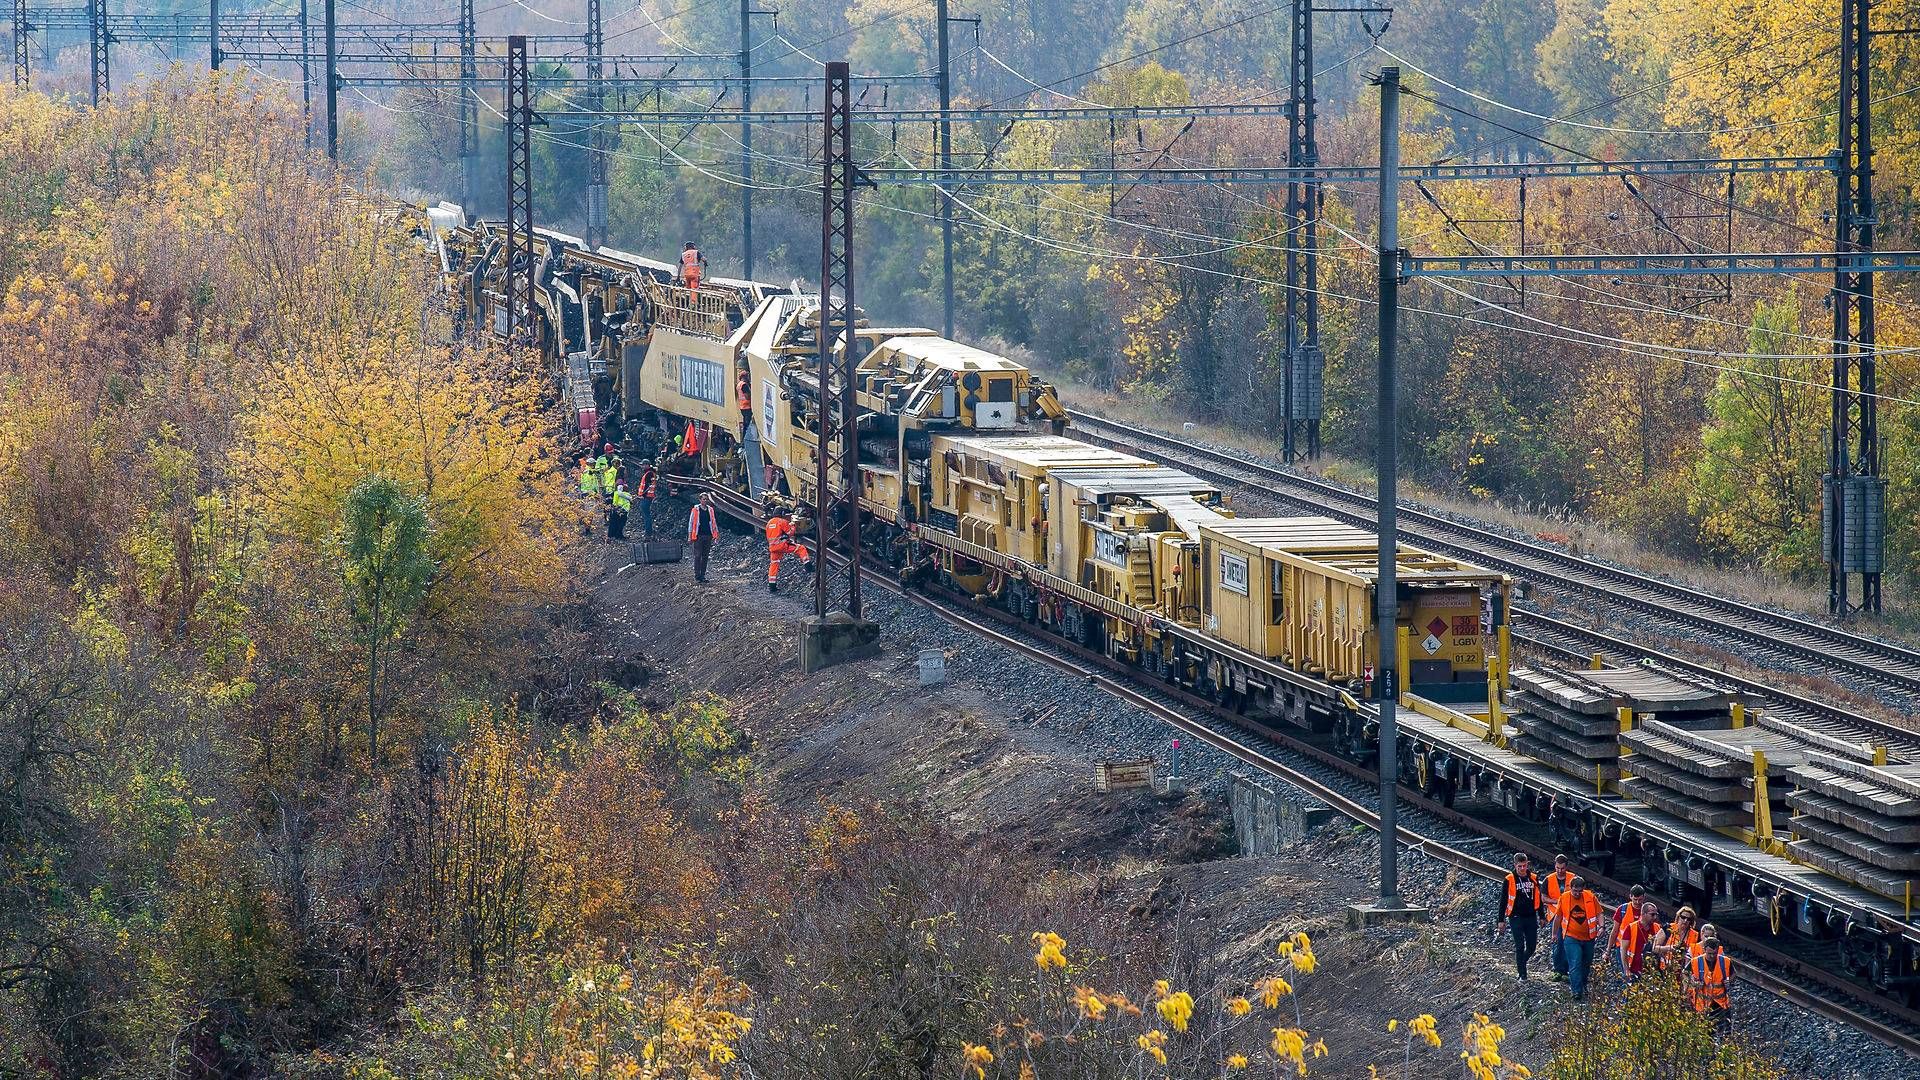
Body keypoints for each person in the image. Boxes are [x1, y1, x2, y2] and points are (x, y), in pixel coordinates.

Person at [1494, 852, 1543, 980]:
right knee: (1520, 945)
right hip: (1516, 917)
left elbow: (1539, 898)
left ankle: (1521, 962)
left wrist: (1542, 916)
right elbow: (1503, 900)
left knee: (1532, 946)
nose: (1522, 869)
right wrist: (1501, 920)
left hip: (1531, 916)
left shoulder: (1533, 878)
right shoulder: (1509, 879)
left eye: (1524, 866)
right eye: (1519, 866)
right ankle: (1522, 974)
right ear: (1515, 865)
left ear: (1527, 864)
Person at [1557, 875, 1602, 999]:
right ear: (1570, 888)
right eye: (1574, 891)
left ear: (1583, 889)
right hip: (1571, 937)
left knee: (1586, 963)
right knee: (1575, 962)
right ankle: (1576, 991)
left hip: (1589, 938)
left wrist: (1602, 926)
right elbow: (1558, 917)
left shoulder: (1590, 897)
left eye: (1579, 891)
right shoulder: (1564, 898)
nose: (1577, 893)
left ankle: (1583, 984)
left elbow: (1599, 913)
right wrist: (1554, 934)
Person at [1687, 933, 1733, 1034]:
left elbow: (1733, 974)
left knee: (1725, 1033)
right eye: (1709, 954)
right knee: (1705, 1033)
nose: (1712, 956)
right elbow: (1685, 974)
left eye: (1714, 953)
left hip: (1721, 1004)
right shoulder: (1696, 962)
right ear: (1704, 950)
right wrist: (1693, 981)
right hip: (1703, 1005)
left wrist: (1729, 981)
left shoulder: (1725, 961)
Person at [763, 501, 813, 594]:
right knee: (801, 548)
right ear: (782, 514)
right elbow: (790, 532)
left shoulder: (769, 523)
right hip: (782, 546)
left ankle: (772, 586)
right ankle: (809, 567)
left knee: (774, 564)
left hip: (773, 548)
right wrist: (793, 526)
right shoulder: (781, 521)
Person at [1541, 854, 1576, 982]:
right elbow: (1543, 898)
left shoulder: (1573, 879)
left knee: (1568, 942)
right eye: (1557, 868)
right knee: (1558, 943)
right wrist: (1556, 901)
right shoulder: (1548, 880)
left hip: (1570, 916)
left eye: (1562, 868)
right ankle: (1558, 970)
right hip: (1555, 916)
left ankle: (1565, 970)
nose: (1560, 870)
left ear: (1566, 867)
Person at [1618, 902, 1662, 980]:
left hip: (1652, 971)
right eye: (1652, 914)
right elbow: (1623, 950)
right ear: (1643, 914)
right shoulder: (1631, 928)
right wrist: (1626, 970)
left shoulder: (1657, 928)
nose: (1655, 917)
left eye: (1656, 914)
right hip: (1634, 970)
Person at [1652, 906, 1700, 973]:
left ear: (1691, 921)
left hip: (1682, 972)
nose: (1685, 920)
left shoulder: (1695, 935)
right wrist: (1668, 948)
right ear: (1678, 917)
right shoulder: (1668, 928)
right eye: (1683, 917)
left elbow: (1697, 956)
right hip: (1664, 969)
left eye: (1688, 919)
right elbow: (1654, 948)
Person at [688, 492, 720, 582]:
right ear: (700, 500)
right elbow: (691, 523)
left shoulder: (710, 510)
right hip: (698, 536)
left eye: (706, 499)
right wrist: (689, 536)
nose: (705, 500)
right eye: (703, 499)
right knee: (697, 556)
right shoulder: (695, 510)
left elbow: (713, 522)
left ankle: (703, 575)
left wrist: (716, 534)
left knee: (705, 556)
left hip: (708, 535)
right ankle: (697, 575)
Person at [635, 460, 658, 539]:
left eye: (643, 465)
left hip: (646, 497)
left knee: (646, 515)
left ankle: (648, 532)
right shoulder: (650, 473)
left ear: (647, 465)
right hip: (648, 497)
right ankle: (649, 531)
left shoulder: (649, 474)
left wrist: (642, 495)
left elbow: (647, 486)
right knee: (646, 515)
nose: (642, 467)